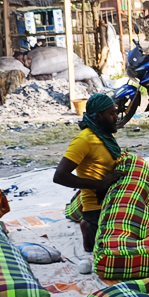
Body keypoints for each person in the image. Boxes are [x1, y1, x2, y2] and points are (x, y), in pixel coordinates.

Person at [54, 93, 124, 252]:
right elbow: (59, 176)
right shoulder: (84, 140)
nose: (116, 117)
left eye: (116, 112)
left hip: (112, 197)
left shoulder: (105, 136)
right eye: (111, 113)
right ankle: (89, 225)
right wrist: (100, 184)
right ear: (99, 116)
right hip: (96, 205)